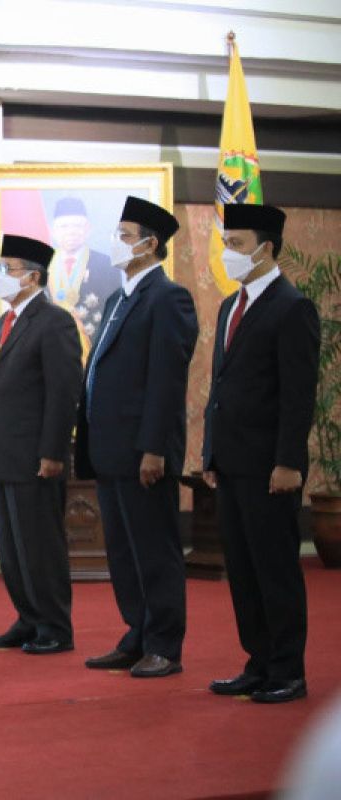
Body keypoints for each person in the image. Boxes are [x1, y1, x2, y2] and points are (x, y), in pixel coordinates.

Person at [74, 196, 198, 678]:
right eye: (117, 234)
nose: (117, 243)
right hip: (109, 451)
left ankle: (165, 644)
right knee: (124, 553)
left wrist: (154, 449)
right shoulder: (116, 298)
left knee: (154, 550)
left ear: (151, 245)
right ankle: (137, 633)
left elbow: (167, 381)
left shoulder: (168, 298)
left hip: (142, 451)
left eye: (125, 236)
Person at [203, 204, 319, 704]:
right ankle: (258, 661)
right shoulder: (232, 306)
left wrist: (288, 462)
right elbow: (220, 387)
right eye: (226, 243)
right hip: (231, 462)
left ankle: (288, 670)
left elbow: (298, 395)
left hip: (271, 467)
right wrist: (210, 453)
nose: (229, 253)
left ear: (266, 247)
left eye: (238, 244)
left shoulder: (292, 307)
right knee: (244, 570)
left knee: (274, 569)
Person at [0, 235, 82, 654]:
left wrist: (52, 453)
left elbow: (63, 393)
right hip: (4, 455)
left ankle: (55, 626)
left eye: (8, 269)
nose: (1, 276)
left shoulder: (53, 321)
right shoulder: (2, 323)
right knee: (11, 548)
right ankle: (28, 617)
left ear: (33, 276)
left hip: (35, 457)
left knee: (40, 546)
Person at [47, 197, 120, 348]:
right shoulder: (42, 265)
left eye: (77, 226)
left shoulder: (106, 265)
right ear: (53, 231)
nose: (71, 232)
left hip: (93, 350)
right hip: (50, 350)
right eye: (64, 226)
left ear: (88, 229)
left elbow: (114, 313)